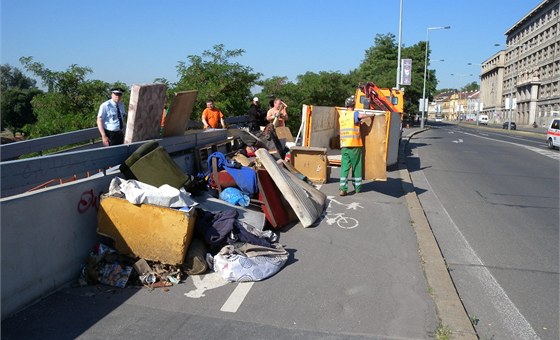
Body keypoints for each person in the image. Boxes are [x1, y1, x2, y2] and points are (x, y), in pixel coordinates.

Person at [338, 96, 368, 196]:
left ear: (346, 105)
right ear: (353, 105)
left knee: (345, 167)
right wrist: (370, 115)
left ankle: (343, 188)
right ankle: (357, 187)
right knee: (356, 166)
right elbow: (360, 116)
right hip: (355, 145)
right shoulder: (354, 114)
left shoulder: (342, 116)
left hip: (344, 145)